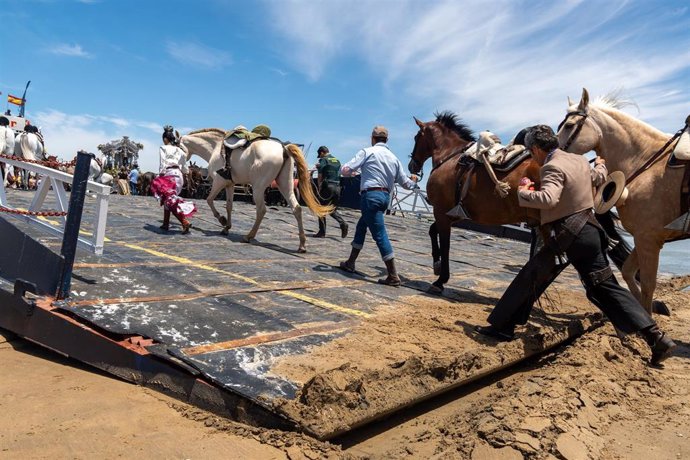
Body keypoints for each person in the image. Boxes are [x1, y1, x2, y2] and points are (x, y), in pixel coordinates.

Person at [476, 125, 676, 366]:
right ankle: (656, 338)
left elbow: (549, 199)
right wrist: (601, 164)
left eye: (531, 151)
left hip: (569, 235)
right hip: (590, 231)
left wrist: (524, 191)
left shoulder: (551, 166)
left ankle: (502, 328)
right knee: (605, 288)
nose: (532, 155)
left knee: (532, 275)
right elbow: (597, 177)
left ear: (538, 149)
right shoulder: (580, 161)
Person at [339, 125, 419, 286]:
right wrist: (415, 181)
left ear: (372, 138)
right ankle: (350, 262)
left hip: (370, 197)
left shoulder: (367, 152)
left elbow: (345, 170)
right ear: (387, 140)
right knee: (362, 226)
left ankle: (393, 275)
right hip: (384, 198)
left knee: (380, 234)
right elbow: (406, 183)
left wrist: (349, 172)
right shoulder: (394, 159)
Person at [150, 126, 197, 234]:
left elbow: (162, 163)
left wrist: (160, 176)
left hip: (169, 175)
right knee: (169, 199)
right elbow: (185, 169)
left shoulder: (163, 148)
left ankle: (184, 221)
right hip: (179, 177)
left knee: (169, 200)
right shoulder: (180, 151)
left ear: (165, 139)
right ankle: (166, 223)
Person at [312, 145, 348, 238]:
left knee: (321, 208)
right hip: (337, 187)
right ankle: (342, 223)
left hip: (328, 187)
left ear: (322, 153)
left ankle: (322, 232)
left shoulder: (323, 160)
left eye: (320, 155)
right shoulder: (337, 160)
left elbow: (320, 175)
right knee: (332, 209)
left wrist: (319, 187)